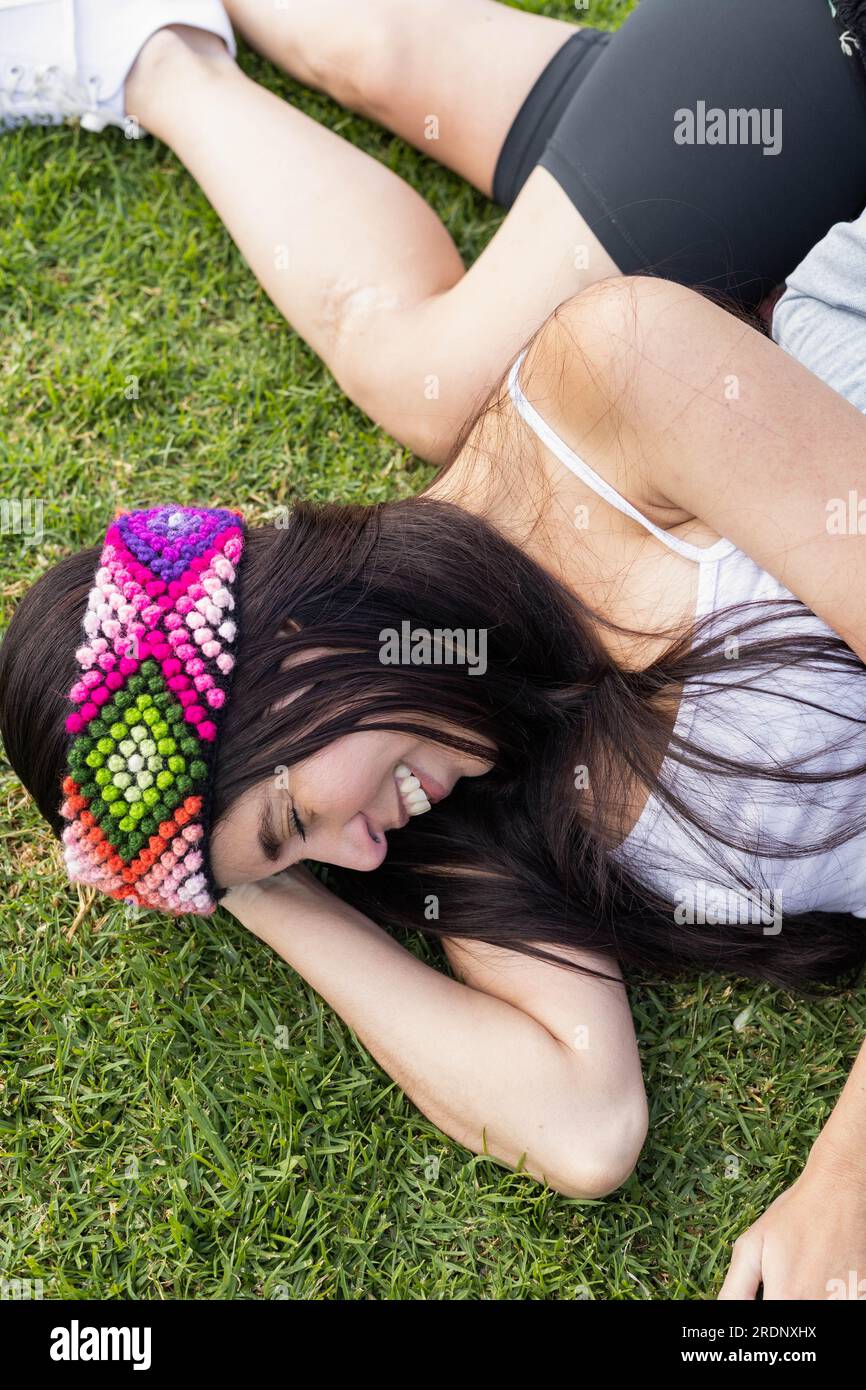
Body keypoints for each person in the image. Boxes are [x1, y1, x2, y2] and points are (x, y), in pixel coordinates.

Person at [4, 0, 866, 1299]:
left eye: (297, 813)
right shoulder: (455, 804)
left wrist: (844, 1186)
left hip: (808, 81)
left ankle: (140, 42)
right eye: (301, 859)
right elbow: (584, 1127)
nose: (357, 854)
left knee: (416, 361)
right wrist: (249, 883)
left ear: (293, 643)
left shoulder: (614, 381)